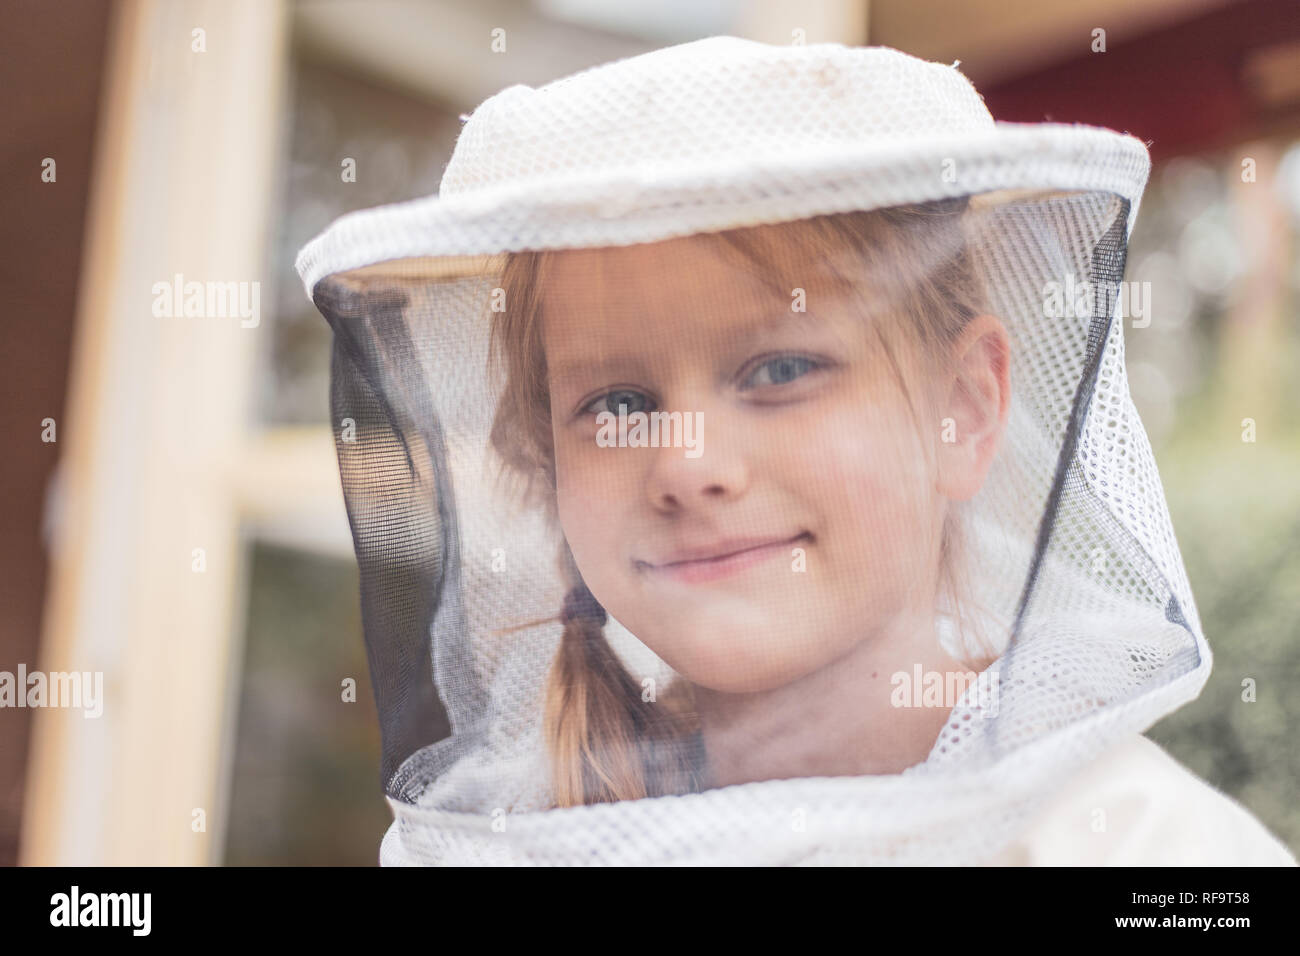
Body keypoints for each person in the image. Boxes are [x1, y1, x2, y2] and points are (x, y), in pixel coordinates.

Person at [296, 36, 1297, 865]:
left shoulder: (1152, 852)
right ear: (547, 465)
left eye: (778, 370)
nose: (688, 463)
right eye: (617, 399)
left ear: (963, 409)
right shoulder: (501, 843)